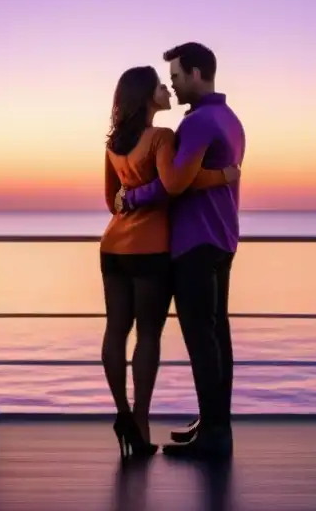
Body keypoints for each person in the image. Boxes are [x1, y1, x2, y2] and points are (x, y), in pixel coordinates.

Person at [101, 65, 241, 459]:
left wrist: (129, 198)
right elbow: (174, 184)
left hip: (112, 246)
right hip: (150, 249)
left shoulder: (112, 145)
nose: (168, 87)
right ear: (148, 96)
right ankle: (141, 423)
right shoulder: (162, 136)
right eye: (162, 84)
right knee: (148, 335)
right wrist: (223, 176)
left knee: (115, 331)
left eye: (171, 79)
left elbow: (109, 199)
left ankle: (123, 414)